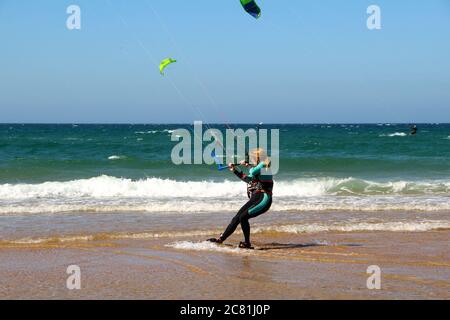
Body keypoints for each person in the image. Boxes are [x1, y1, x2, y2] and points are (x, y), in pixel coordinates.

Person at [208, 148, 273, 249]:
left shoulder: (265, 164)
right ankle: (221, 239)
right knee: (237, 217)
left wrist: (247, 165)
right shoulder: (258, 167)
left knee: (243, 217)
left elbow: (253, 171)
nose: (250, 160)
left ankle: (247, 243)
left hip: (264, 198)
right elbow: (248, 179)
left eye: (251, 158)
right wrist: (235, 170)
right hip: (256, 197)